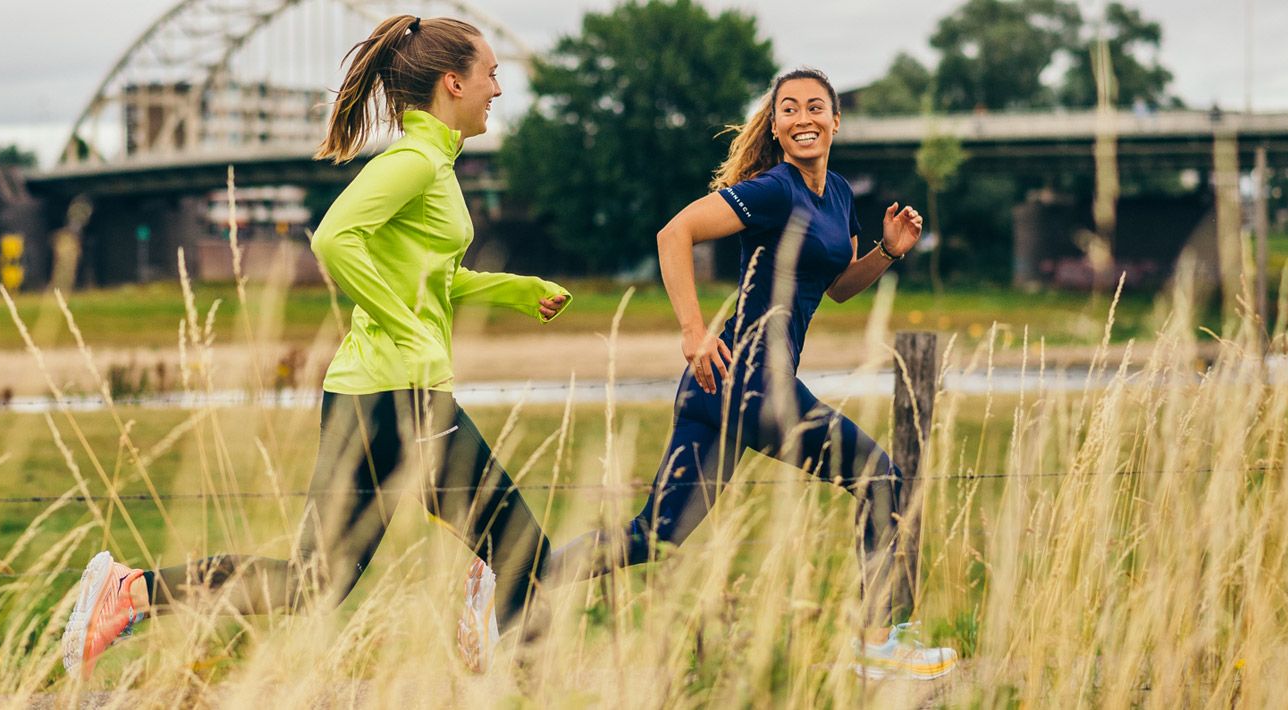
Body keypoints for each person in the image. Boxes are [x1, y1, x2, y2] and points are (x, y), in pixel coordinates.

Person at [60, 14, 571, 677]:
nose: (498, 90)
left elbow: (431, 278)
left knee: (315, 582)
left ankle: (131, 593)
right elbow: (333, 238)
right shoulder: (416, 161)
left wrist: (514, 289)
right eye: (491, 75)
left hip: (370, 396)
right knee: (522, 545)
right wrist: (400, 322)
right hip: (397, 397)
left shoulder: (435, 165)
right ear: (453, 82)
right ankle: (527, 678)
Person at [460, 68, 957, 680]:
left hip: (723, 390)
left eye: (816, 107)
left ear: (835, 121)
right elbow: (677, 232)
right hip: (749, 379)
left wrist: (885, 251)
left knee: (656, 535)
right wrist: (695, 333)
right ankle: (880, 643)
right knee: (882, 478)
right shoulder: (774, 189)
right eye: (790, 109)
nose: (804, 118)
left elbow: (838, 287)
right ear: (775, 126)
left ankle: (506, 586)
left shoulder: (838, 195)